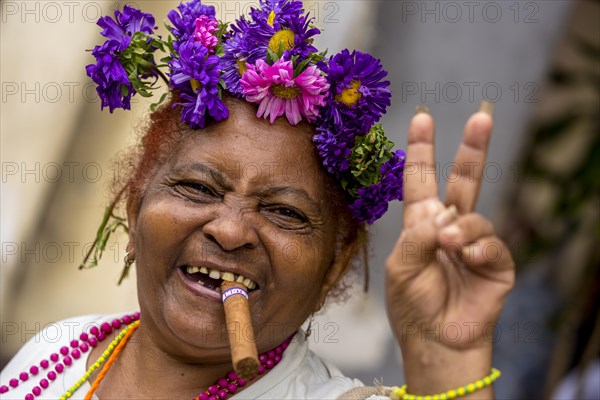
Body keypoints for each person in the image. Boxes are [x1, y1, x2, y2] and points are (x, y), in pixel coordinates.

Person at [0, 1, 515, 399]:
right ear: (136, 206)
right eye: (198, 188)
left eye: (285, 213)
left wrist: (446, 367)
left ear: (334, 268)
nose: (229, 230)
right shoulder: (57, 351)